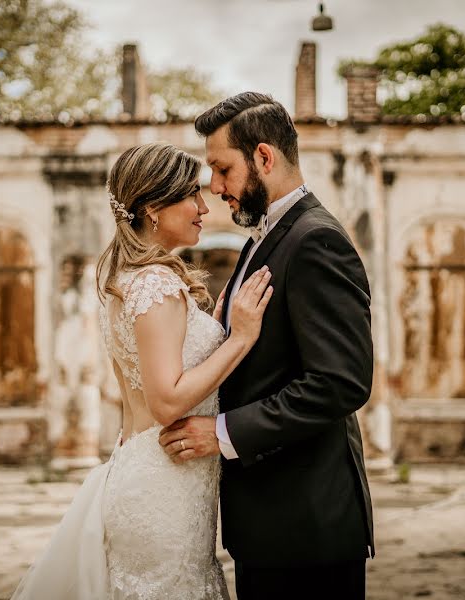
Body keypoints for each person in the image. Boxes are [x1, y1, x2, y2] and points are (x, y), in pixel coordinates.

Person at [11, 141, 272, 599]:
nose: (202, 205)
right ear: (153, 208)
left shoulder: (126, 278)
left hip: (151, 469)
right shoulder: (154, 283)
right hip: (164, 482)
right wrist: (241, 339)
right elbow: (167, 400)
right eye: (190, 195)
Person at [158, 92, 375, 599]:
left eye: (222, 169)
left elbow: (340, 382)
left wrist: (224, 433)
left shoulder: (316, 240)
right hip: (272, 522)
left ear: (263, 157)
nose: (215, 188)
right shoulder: (265, 236)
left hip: (306, 525)